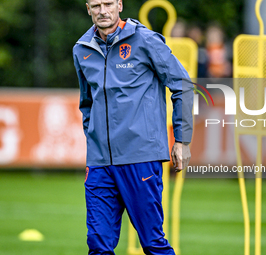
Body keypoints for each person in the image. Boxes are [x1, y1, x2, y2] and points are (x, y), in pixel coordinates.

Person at [72, 0, 193, 254]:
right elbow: (86, 103)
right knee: (98, 245)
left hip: (141, 158)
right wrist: (94, 138)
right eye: (96, 5)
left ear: (119, 5)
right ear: (88, 9)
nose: (102, 11)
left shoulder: (145, 41)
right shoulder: (81, 49)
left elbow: (183, 85)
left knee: (152, 243)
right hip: (99, 163)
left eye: (107, 4)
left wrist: (182, 140)